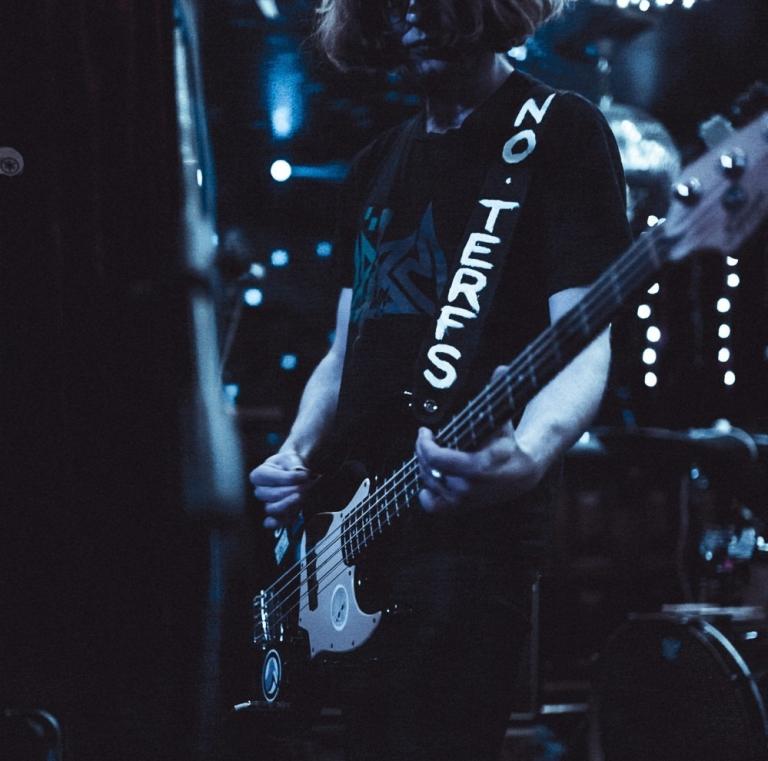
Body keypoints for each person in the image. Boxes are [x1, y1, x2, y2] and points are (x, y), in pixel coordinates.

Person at [249, 1, 632, 758]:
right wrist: (296, 451)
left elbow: (585, 342)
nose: (413, 19)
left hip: (467, 536)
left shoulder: (559, 131)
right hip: (346, 534)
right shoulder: (374, 165)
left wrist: (524, 454)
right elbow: (342, 351)